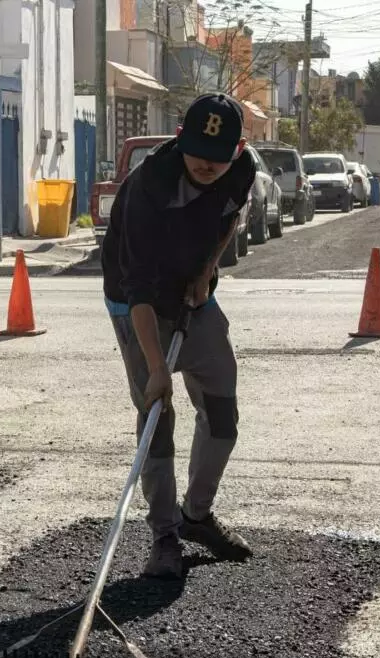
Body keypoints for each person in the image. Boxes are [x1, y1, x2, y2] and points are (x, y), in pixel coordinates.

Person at [100, 93, 256, 579]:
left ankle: (196, 515)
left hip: (194, 294)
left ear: (238, 148)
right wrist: (157, 370)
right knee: (156, 417)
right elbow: (139, 289)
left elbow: (229, 217)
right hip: (137, 303)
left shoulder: (242, 168)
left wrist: (207, 270)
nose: (206, 164)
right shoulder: (149, 188)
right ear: (178, 140)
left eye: (217, 156)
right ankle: (164, 534)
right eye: (196, 152)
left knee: (222, 409)